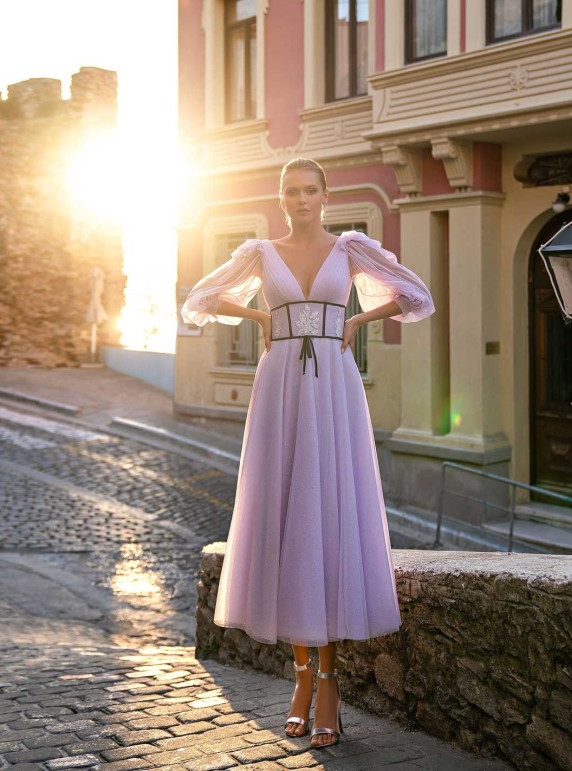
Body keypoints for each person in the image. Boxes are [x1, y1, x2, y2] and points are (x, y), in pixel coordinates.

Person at [181, 157, 435, 749]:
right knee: (287, 517)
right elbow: (200, 297)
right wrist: (259, 314)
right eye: (291, 191)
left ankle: (328, 684)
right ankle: (301, 678)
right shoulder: (261, 253)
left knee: (328, 519)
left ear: (325, 195)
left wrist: (358, 320)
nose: (300, 199)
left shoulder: (350, 249)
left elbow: (415, 294)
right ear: (281, 197)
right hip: (279, 389)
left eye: (310, 190)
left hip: (334, 388)